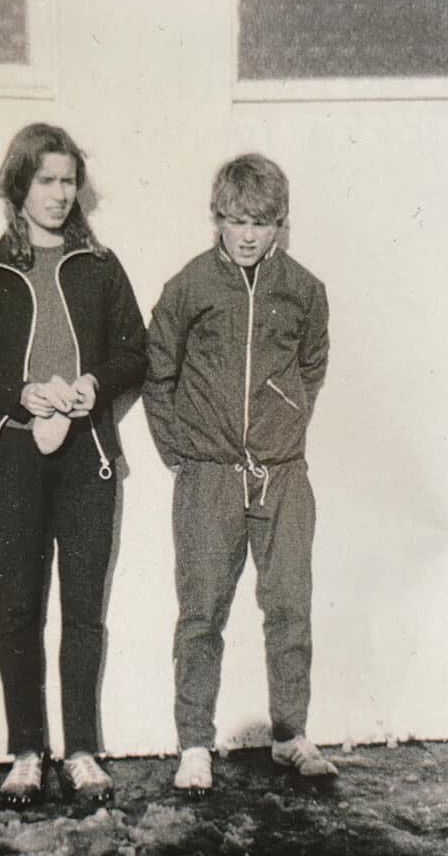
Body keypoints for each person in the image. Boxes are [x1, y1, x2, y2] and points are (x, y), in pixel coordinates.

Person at [0, 123, 146, 808]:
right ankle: (27, 753)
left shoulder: (100, 265)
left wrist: (96, 383)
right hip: (13, 454)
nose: (60, 194)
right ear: (19, 185)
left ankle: (82, 750)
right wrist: (19, 394)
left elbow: (136, 350)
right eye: (46, 180)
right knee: (19, 606)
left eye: (69, 181)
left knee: (84, 607)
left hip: (87, 456)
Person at [143, 153, 337, 795]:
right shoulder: (190, 285)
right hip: (210, 476)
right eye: (235, 220)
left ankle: (290, 734)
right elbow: (159, 371)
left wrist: (284, 427)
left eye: (261, 222)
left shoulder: (304, 290)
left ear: (280, 223)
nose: (247, 235)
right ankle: (194, 744)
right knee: (201, 611)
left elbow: (310, 366)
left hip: (282, 475)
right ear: (216, 220)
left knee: (289, 606)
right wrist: (181, 451)